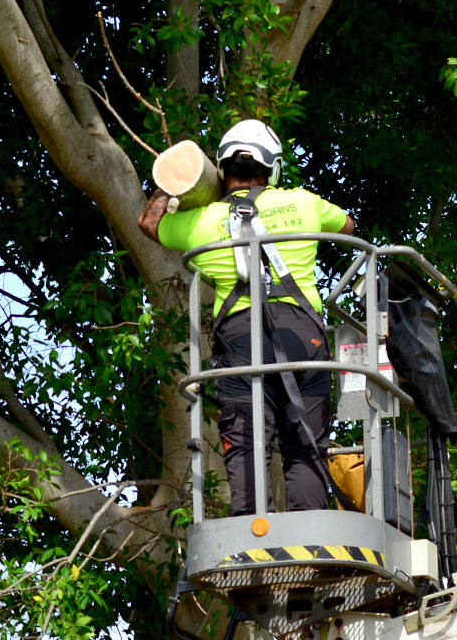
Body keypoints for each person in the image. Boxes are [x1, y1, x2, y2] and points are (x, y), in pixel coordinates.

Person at [138, 119, 354, 516]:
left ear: (221, 170)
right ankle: (311, 537)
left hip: (239, 342)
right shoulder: (302, 203)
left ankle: (253, 536)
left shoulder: (201, 223)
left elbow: (149, 223)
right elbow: (346, 224)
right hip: (302, 336)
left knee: (246, 444)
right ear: (272, 168)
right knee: (306, 446)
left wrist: (178, 182)